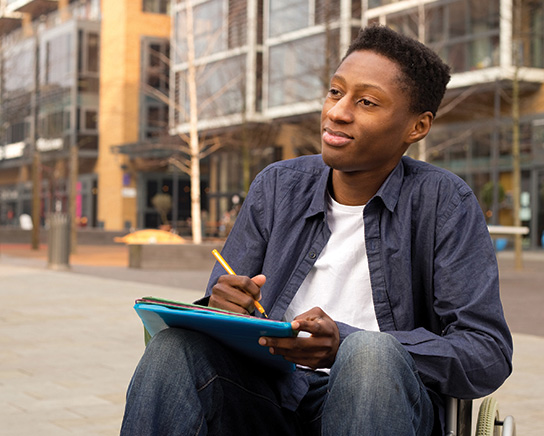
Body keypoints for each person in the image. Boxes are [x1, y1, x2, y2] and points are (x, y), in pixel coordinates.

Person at [121, 25, 512, 436]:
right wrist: (220, 306)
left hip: (383, 402)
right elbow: (225, 301)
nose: (337, 112)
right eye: (335, 92)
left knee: (369, 355)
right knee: (174, 349)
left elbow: (486, 353)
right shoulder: (276, 186)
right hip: (272, 394)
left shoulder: (445, 202)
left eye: (366, 102)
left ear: (417, 127)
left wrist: (345, 343)